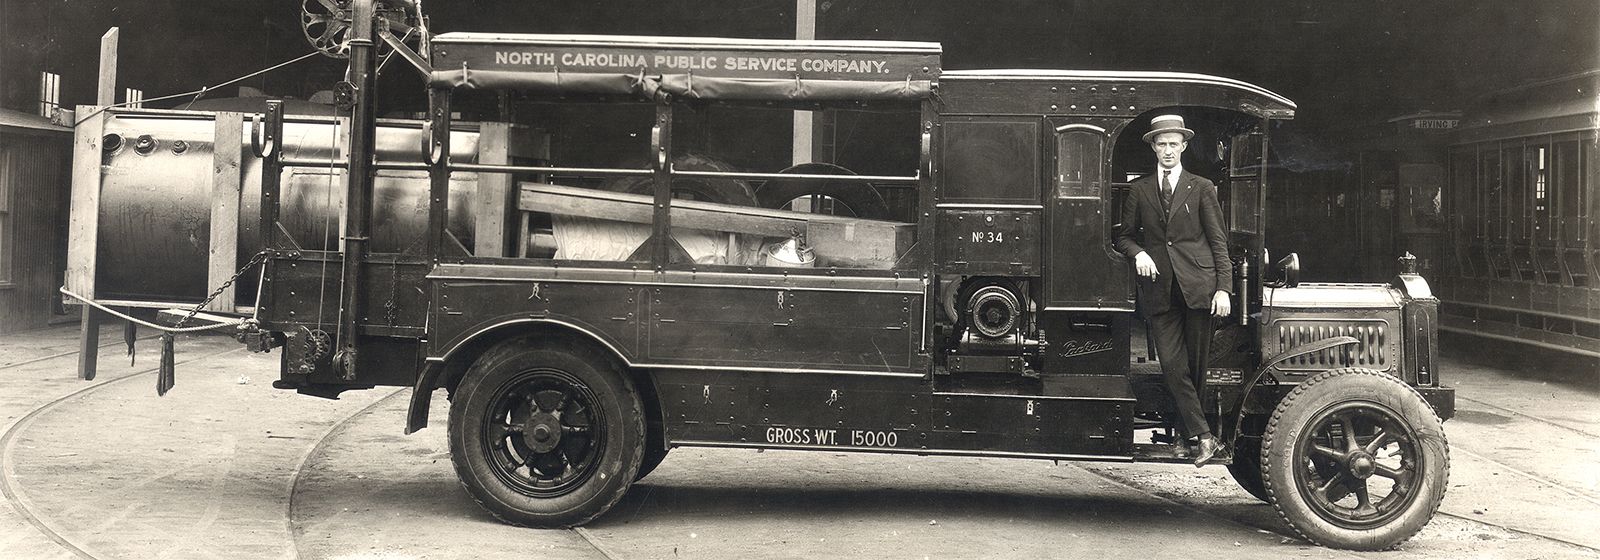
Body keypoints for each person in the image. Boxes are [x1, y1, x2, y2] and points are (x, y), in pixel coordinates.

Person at [1113, 114, 1232, 467]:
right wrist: (1139, 254)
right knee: (1173, 366)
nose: (1168, 150)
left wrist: (1223, 289)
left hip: (1199, 287)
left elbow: (1218, 241)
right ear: (1153, 146)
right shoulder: (1140, 189)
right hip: (1160, 290)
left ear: (1184, 146)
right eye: (1161, 144)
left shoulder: (1202, 187)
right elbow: (1123, 237)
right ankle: (1205, 436)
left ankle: (1183, 436)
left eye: (1174, 144)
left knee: (1195, 367)